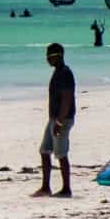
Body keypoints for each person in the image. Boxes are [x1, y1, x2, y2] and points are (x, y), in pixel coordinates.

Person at [33, 42, 76, 198]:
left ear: (58, 56)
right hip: (54, 119)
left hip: (62, 119)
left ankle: (66, 189)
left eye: (49, 57)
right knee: (45, 151)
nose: (47, 60)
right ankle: (45, 187)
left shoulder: (65, 73)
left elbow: (66, 99)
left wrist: (59, 122)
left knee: (61, 154)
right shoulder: (57, 72)